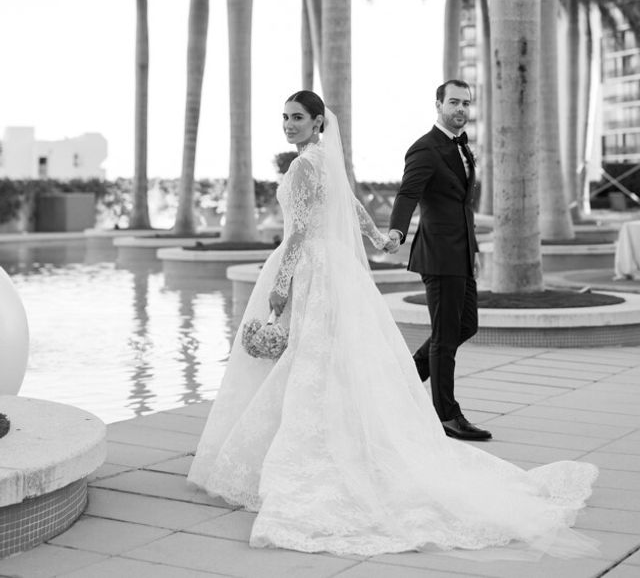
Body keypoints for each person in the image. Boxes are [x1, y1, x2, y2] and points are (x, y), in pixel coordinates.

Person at [188, 89, 597, 557]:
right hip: (334, 267)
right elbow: (352, 206)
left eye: (298, 118)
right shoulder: (324, 160)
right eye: (284, 118)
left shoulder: (304, 165)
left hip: (308, 268)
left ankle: (309, 452)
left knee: (307, 358)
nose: (288, 125)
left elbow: (299, 232)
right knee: (323, 360)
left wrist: (281, 288)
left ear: (319, 122)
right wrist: (379, 236)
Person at [388, 79, 489, 441]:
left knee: (465, 326)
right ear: (438, 105)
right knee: (445, 338)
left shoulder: (461, 147)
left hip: (461, 255)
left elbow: (463, 207)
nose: (461, 109)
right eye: (454, 103)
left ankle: (402, 382)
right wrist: (397, 232)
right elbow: (408, 193)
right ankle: (445, 415)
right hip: (438, 256)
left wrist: (473, 251)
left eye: (466, 103)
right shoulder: (425, 149)